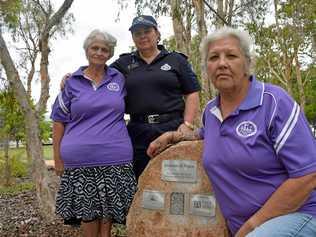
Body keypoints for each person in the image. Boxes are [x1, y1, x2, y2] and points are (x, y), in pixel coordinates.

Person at [147, 27, 316, 237]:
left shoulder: (274, 103)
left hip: (298, 215)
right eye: (214, 57)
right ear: (206, 68)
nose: (222, 63)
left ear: (247, 63)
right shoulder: (211, 110)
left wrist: (251, 227)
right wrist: (174, 136)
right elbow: (205, 134)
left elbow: (308, 175)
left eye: (231, 55)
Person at [61, 15, 201, 180]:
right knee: (139, 183)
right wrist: (76, 75)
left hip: (172, 128)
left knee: (176, 181)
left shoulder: (176, 60)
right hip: (137, 132)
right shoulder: (123, 63)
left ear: (157, 33)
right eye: (137, 33)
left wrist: (187, 124)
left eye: (147, 31)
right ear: (133, 38)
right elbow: (98, 70)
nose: (142, 36)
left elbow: (192, 92)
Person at [51, 29, 137, 237]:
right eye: (94, 48)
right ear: (86, 50)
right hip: (80, 160)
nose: (99, 53)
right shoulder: (72, 82)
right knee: (88, 215)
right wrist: (57, 159)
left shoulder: (120, 79)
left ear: (110, 54)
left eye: (104, 50)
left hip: (115, 157)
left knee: (108, 215)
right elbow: (58, 121)